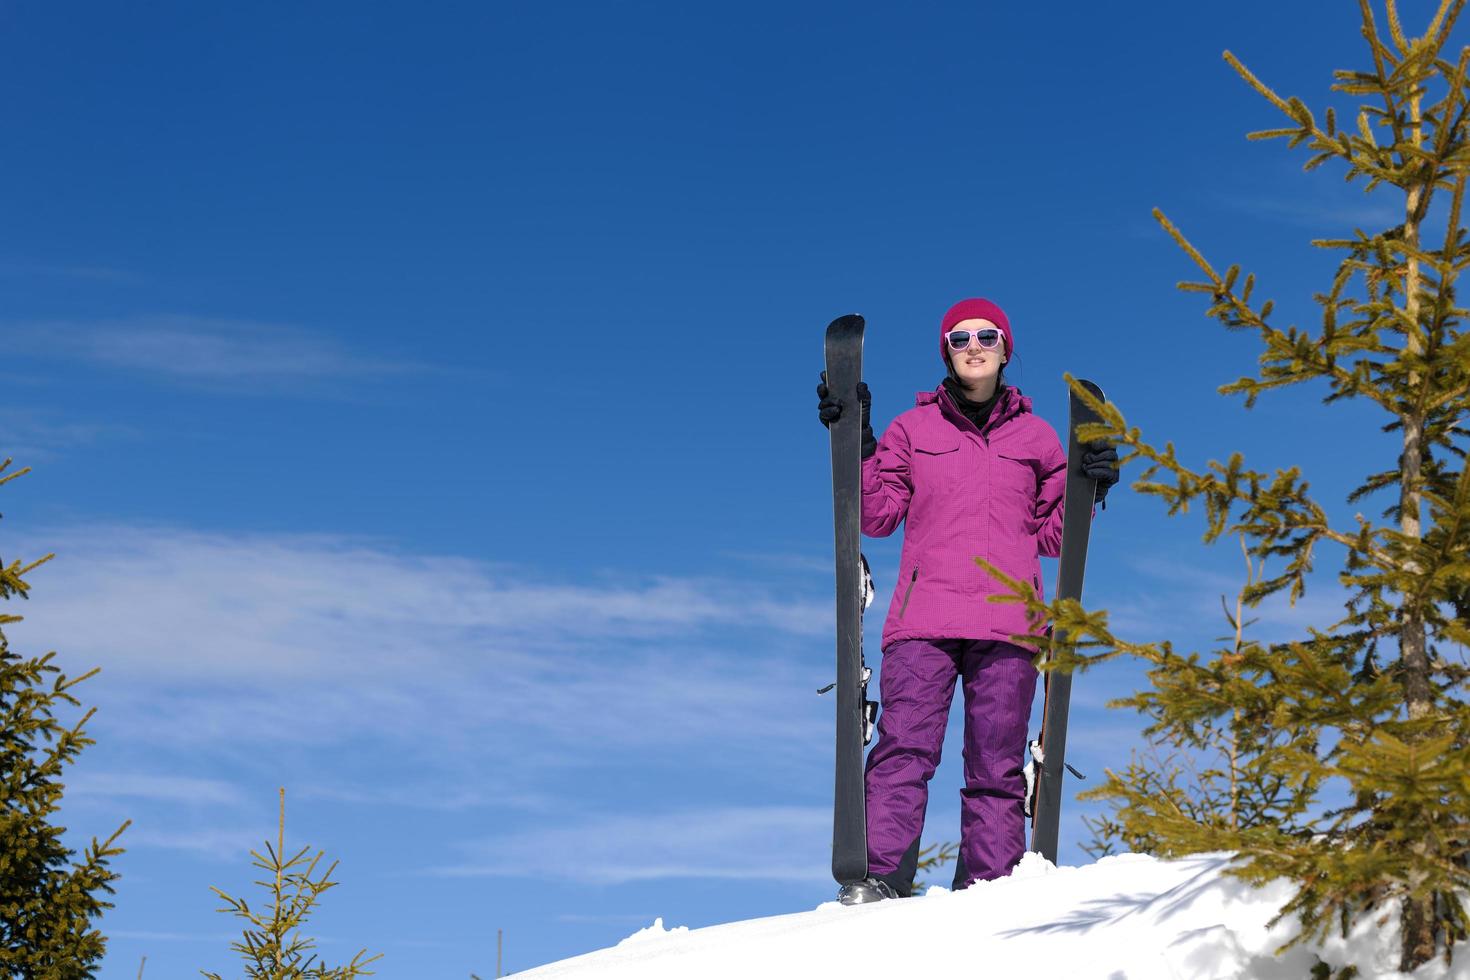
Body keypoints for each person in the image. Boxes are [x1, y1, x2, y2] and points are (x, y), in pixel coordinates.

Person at [816, 297, 1119, 904]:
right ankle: (881, 876)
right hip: (922, 622)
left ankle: (989, 888)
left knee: (997, 767)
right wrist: (861, 440)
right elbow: (876, 516)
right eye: (959, 338)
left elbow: (1057, 537)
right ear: (946, 353)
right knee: (904, 748)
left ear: (1006, 349)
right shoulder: (913, 429)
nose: (974, 346)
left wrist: (1090, 485)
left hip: (1009, 626)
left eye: (986, 336)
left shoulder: (1036, 438)